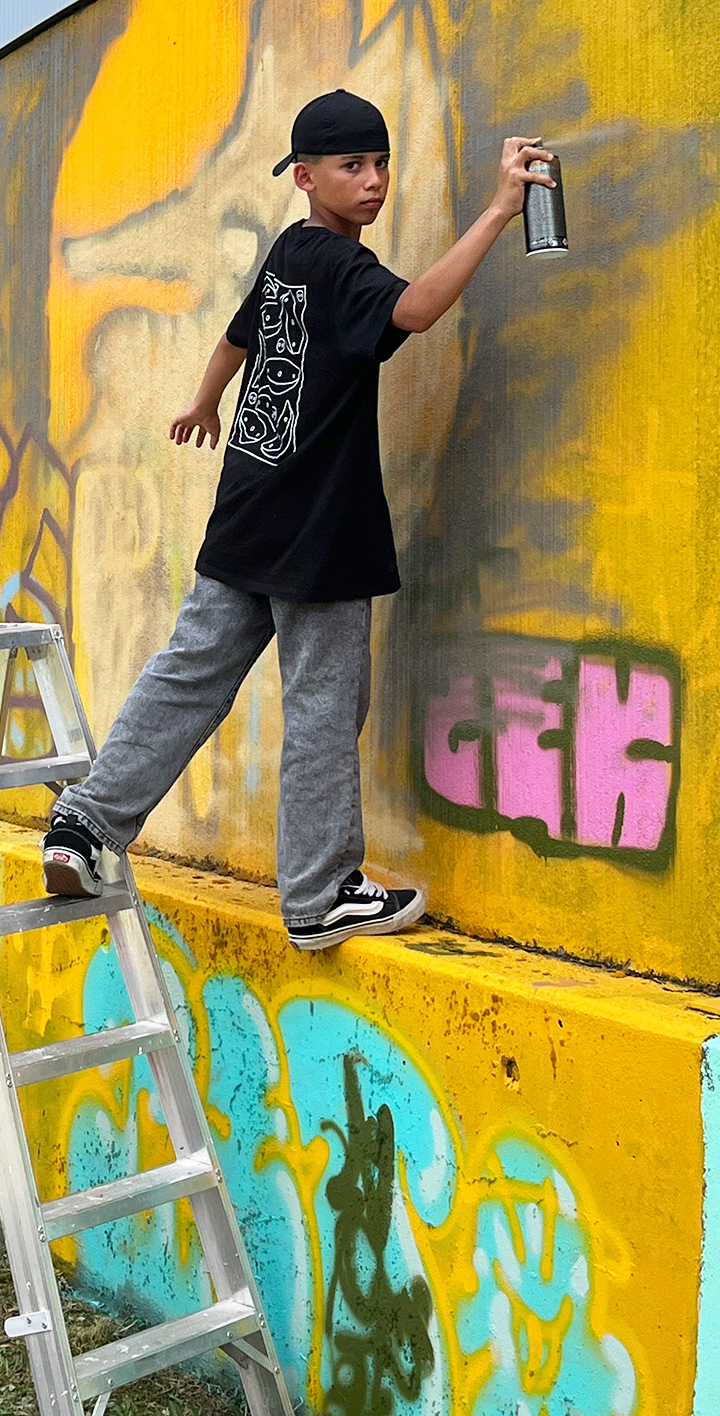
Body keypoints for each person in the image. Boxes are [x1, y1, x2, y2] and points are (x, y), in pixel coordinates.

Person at [41, 89, 555, 949]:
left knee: (188, 675)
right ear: (304, 176)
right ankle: (319, 895)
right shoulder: (342, 266)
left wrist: (204, 402)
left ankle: (85, 825)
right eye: (352, 166)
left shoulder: (289, 253)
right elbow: (418, 308)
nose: (374, 181)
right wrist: (500, 211)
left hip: (247, 511)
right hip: (319, 530)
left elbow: (238, 336)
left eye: (381, 163)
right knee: (323, 704)